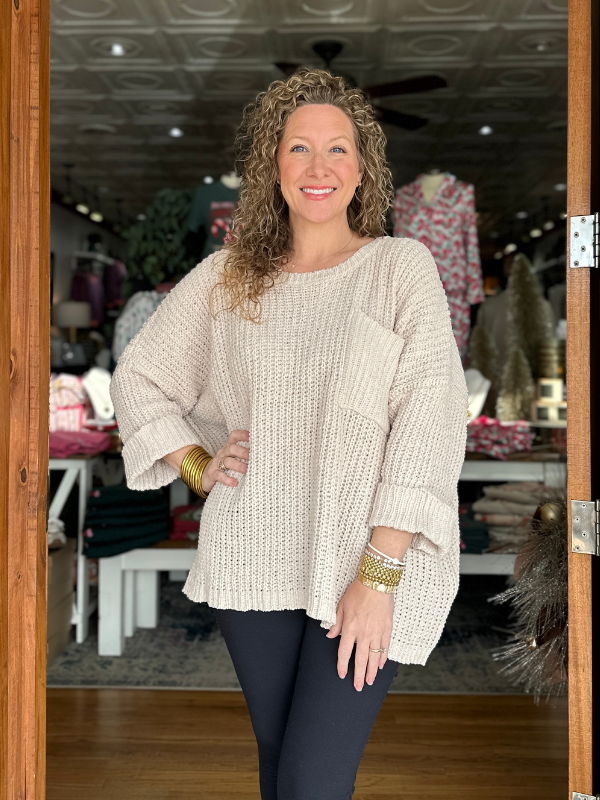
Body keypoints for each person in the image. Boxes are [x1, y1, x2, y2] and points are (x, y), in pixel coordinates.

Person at [109, 68, 468, 800]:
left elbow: (430, 421)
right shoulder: (226, 278)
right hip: (254, 554)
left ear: (363, 168)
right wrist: (198, 465)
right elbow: (139, 376)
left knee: (312, 777)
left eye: (337, 149)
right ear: (272, 166)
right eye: (299, 148)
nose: (318, 167)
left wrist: (379, 574)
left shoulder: (400, 269)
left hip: (364, 562)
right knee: (280, 767)